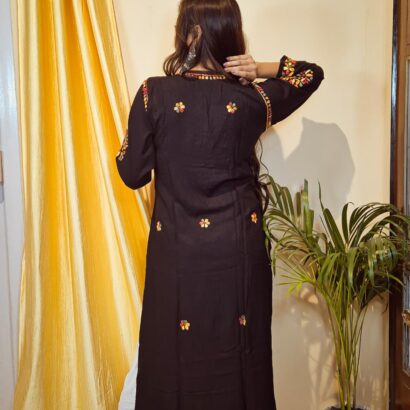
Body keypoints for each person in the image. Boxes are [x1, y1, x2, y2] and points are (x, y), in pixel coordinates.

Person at [115, 1, 324, 409]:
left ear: (190, 32)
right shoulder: (252, 99)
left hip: (178, 256)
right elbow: (310, 74)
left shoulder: (153, 94)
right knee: (240, 357)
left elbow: (132, 173)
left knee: (174, 359)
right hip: (238, 254)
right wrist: (258, 68)